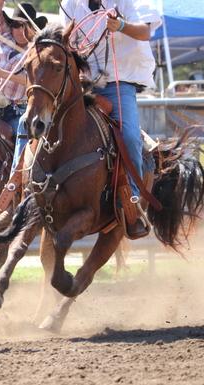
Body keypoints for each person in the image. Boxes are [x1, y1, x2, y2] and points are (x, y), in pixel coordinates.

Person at [60, 0, 161, 238]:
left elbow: (145, 32)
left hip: (119, 81)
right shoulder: (69, 3)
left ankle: (131, 201)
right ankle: (27, 191)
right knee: (38, 124)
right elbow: (68, 39)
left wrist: (121, 25)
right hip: (82, 82)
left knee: (128, 136)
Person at [0, 0, 47, 227]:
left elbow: (33, 80)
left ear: (31, 28)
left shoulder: (37, 50)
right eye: (16, 25)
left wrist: (3, 74)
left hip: (17, 108)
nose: (19, 31)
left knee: (22, 136)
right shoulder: (3, 35)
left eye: (24, 26)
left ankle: (12, 196)